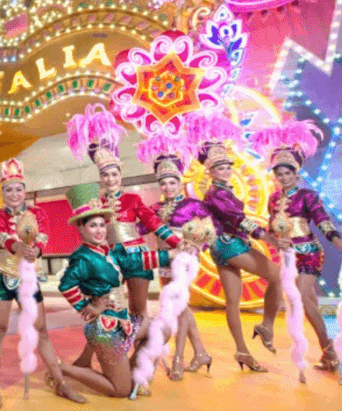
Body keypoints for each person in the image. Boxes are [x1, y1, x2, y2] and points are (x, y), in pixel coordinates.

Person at [67, 105, 179, 369]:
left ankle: (138, 364)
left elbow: (152, 223)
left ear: (121, 174)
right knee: (105, 309)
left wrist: (176, 244)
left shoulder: (132, 199)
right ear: (100, 177)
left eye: (114, 174)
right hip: (110, 261)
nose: (110, 178)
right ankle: (86, 359)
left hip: (137, 258)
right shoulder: (96, 203)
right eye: (105, 174)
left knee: (139, 313)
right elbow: (88, 231)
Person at [57, 183, 177, 398]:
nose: (99, 230)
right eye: (92, 226)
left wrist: (173, 253)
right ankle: (63, 369)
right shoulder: (83, 257)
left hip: (123, 323)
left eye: (102, 225)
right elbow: (66, 285)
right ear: (81, 229)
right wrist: (88, 307)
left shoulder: (111, 251)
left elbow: (137, 260)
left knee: (162, 329)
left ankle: (133, 374)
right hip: (104, 331)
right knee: (120, 391)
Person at [0, 158, 85, 409]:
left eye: (18, 188)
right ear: (3, 192)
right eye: (9, 189)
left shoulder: (37, 213)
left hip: (29, 275)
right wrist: (16, 246)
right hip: (3, 277)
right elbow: (1, 234)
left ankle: (60, 381)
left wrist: (37, 250)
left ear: (24, 190)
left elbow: (43, 233)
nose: (14, 194)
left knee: (41, 330)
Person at [189, 111, 280, 372]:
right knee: (275, 275)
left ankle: (242, 351)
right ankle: (266, 326)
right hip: (230, 245)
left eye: (229, 166)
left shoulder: (223, 190)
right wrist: (268, 238)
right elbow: (239, 219)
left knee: (232, 302)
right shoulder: (216, 193)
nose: (227, 170)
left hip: (223, 247)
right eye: (221, 167)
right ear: (211, 171)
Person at [252, 119, 342, 372]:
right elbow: (272, 227)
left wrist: (338, 243)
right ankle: (328, 354)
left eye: (287, 173)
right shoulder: (272, 200)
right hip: (288, 257)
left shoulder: (307, 196)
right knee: (309, 303)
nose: (283, 177)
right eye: (279, 174)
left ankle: (330, 353)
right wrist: (272, 237)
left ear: (296, 173)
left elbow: (323, 223)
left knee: (301, 299)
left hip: (310, 253)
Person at [136, 134, 214, 380]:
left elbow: (210, 231)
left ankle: (179, 358)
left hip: (186, 260)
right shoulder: (156, 210)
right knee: (180, 307)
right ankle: (200, 352)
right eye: (163, 183)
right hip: (163, 260)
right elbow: (139, 229)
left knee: (178, 308)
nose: (168, 187)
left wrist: (197, 244)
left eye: (172, 182)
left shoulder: (194, 205)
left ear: (179, 181)